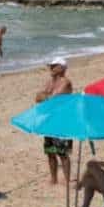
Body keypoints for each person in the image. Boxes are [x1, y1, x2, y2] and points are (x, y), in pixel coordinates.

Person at [36, 57, 74, 186]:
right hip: (50, 120)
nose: (51, 68)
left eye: (54, 66)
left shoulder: (66, 82)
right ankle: (54, 179)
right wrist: (47, 96)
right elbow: (37, 97)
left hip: (62, 122)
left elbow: (53, 99)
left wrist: (46, 96)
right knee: (50, 152)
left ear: (62, 68)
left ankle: (67, 180)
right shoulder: (49, 82)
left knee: (62, 153)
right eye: (51, 66)